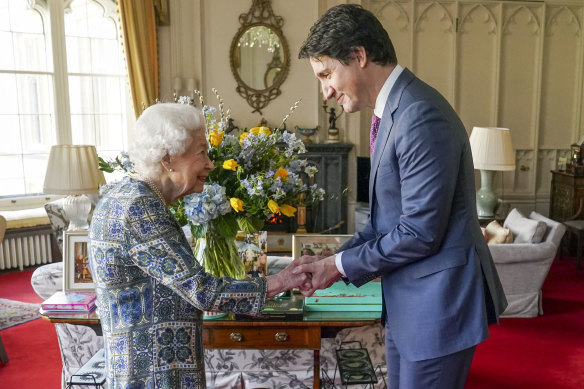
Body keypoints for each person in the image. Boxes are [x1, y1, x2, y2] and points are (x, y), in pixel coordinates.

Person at [294, 4, 508, 389]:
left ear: (358, 56)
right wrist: (332, 258)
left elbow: (419, 233)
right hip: (409, 304)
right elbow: (384, 223)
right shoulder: (393, 110)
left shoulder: (420, 114)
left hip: (438, 307)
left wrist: (338, 267)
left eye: (327, 73)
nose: (325, 90)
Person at [88, 103, 307, 389]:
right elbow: (202, 291)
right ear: (168, 157)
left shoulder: (124, 195)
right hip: (156, 372)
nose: (210, 164)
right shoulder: (141, 208)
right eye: (201, 152)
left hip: (138, 367)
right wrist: (279, 281)